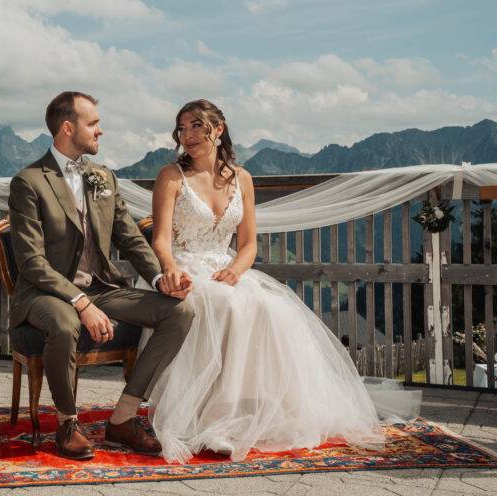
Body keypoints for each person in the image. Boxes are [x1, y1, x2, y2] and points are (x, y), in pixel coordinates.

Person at [146, 99, 421, 463]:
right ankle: (207, 417)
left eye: (196, 125)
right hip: (183, 267)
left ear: (218, 129)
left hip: (225, 267)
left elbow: (248, 244)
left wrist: (236, 271)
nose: (188, 135)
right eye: (182, 128)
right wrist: (169, 268)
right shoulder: (171, 176)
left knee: (266, 305)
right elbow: (160, 239)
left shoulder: (241, 178)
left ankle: (239, 411)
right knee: (224, 305)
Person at [8, 91, 194, 461]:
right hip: (45, 293)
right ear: (67, 127)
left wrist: (162, 280)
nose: (100, 130)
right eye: (93, 123)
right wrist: (79, 303)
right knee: (64, 325)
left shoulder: (103, 177)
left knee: (179, 312)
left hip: (101, 287)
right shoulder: (28, 182)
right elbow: (31, 262)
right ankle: (66, 422)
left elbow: (129, 238)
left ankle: (123, 418)